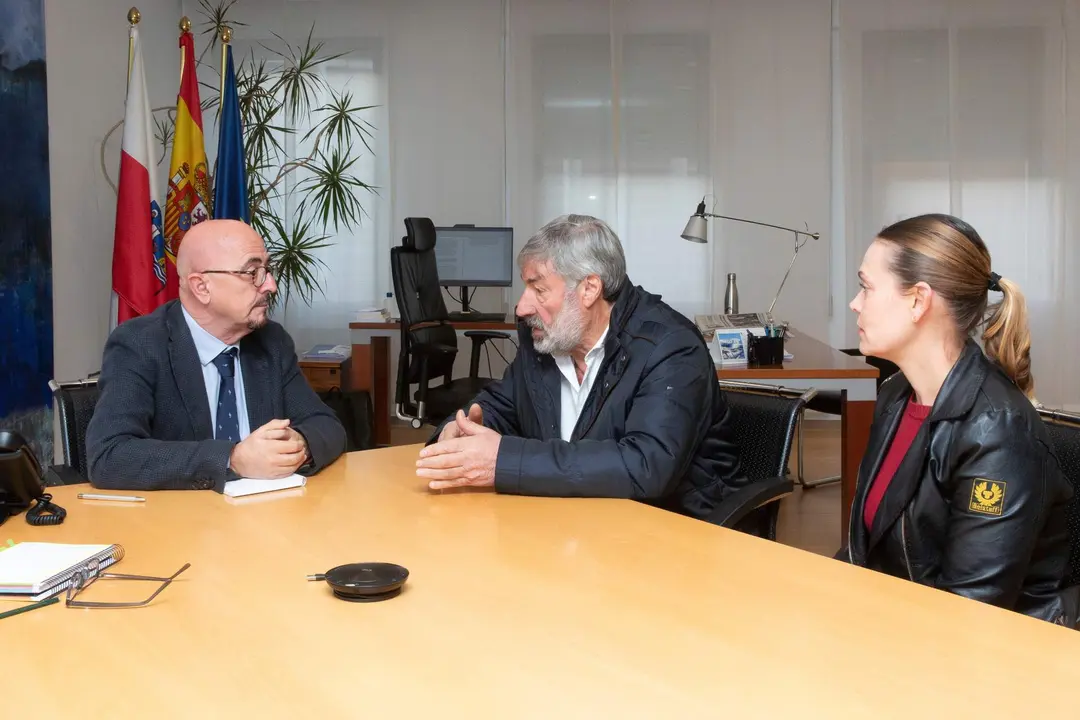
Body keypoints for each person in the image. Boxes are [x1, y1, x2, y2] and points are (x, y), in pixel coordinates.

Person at [414, 214, 746, 520]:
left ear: (589, 289)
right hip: (582, 528)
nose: (522, 305)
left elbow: (646, 466)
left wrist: (502, 461)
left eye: (539, 289)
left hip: (679, 536)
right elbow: (503, 404)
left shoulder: (671, 348)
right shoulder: (547, 340)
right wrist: (461, 428)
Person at [845, 212, 1078, 625]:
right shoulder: (896, 393)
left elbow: (970, 614)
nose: (854, 303)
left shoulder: (998, 433)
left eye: (866, 287)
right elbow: (867, 550)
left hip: (984, 660)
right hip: (896, 628)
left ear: (918, 300)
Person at [85, 219, 346, 492]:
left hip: (268, 518)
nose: (270, 284)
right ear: (201, 287)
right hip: (179, 523)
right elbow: (110, 456)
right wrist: (231, 459)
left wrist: (298, 444)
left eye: (267, 270)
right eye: (252, 272)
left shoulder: (271, 342)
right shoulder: (140, 344)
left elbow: (326, 425)